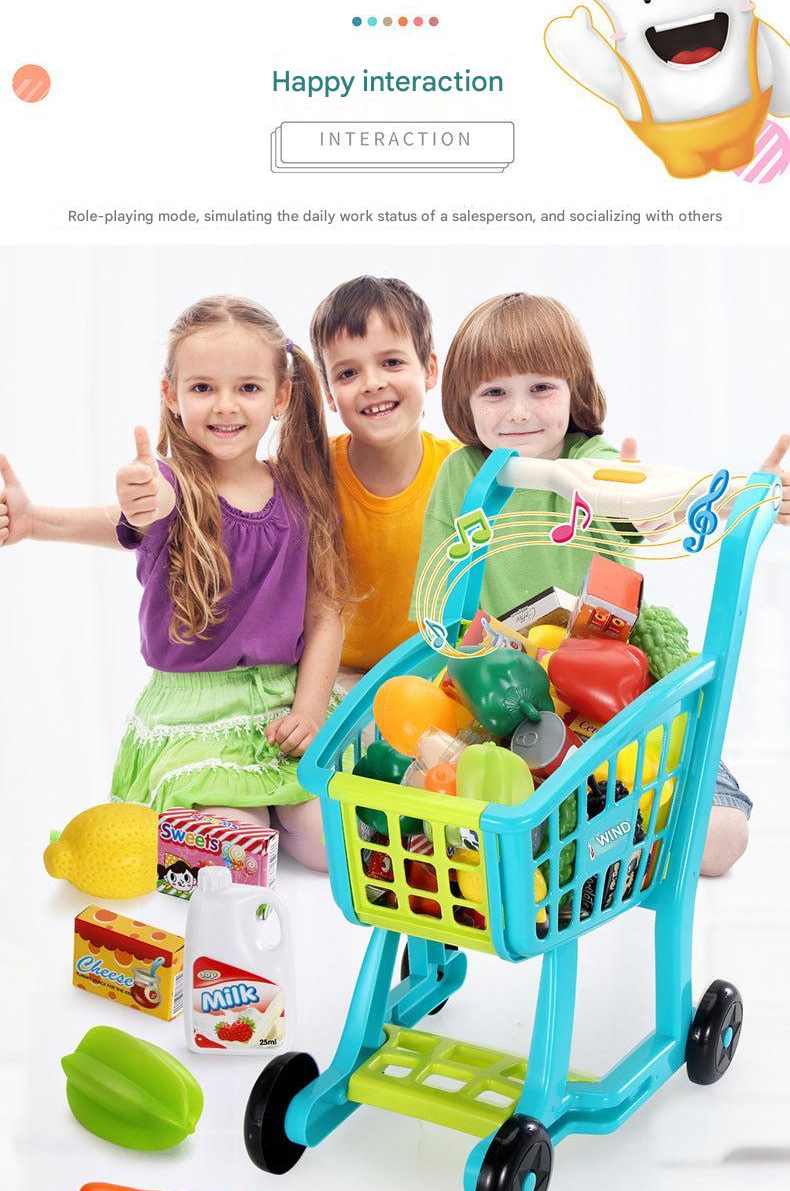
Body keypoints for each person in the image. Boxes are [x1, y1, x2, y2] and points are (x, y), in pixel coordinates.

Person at [411, 292, 790, 877]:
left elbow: (648, 511)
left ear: (574, 392)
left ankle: (616, 838)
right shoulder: (461, 476)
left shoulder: (594, 458)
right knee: (454, 817)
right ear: (464, 402)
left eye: (541, 388)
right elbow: (436, 611)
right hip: (509, 706)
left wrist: (744, 493)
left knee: (724, 836)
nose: (518, 413)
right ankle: (584, 837)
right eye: (494, 392)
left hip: (623, 696)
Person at [1, 295, 349, 871]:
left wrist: (311, 710)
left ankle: (272, 816)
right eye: (203, 387)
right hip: (195, 713)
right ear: (171, 394)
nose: (225, 406)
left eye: (249, 388)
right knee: (240, 847)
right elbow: (134, 515)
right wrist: (42, 520)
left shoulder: (302, 494)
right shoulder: (169, 484)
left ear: (282, 395)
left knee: (324, 843)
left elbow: (325, 615)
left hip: (281, 702)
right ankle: (198, 822)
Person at [309, 275, 456, 674]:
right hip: (337, 680)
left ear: (429, 369)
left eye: (391, 362)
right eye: (347, 373)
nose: (372, 383)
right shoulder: (309, 471)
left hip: (440, 677)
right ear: (328, 395)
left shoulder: (464, 471)